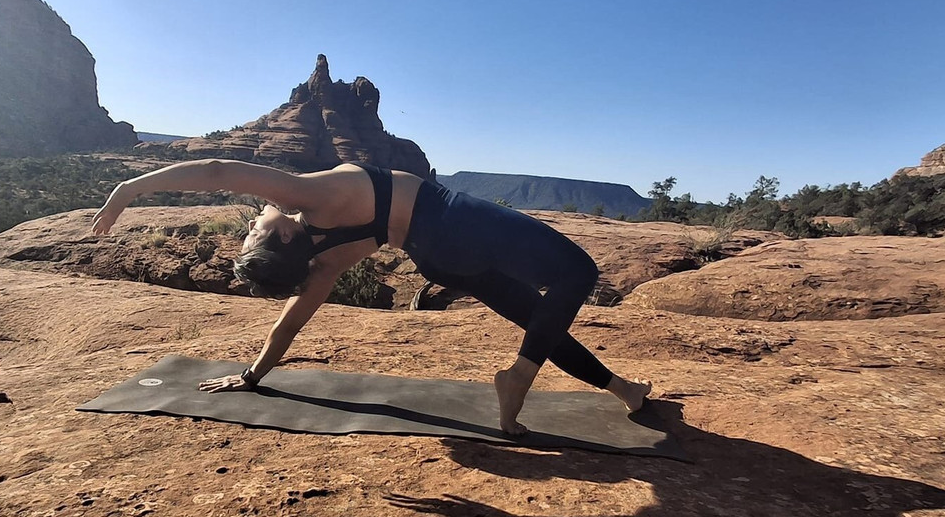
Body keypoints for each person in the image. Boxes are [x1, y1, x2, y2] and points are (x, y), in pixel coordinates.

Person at [92, 158, 651, 435]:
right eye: (254, 232)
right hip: (453, 221)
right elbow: (218, 170)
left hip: (437, 260)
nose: (251, 223)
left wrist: (252, 376)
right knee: (578, 272)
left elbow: (288, 325)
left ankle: (623, 389)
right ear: (283, 233)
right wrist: (129, 189)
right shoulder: (308, 196)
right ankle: (520, 377)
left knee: (537, 317)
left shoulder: (325, 259)